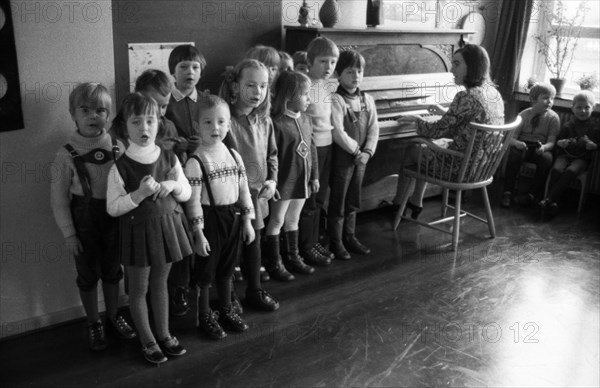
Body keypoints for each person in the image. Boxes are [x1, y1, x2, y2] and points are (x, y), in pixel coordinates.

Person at [50, 82, 136, 352]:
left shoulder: (118, 147)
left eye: (100, 110)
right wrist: (69, 233)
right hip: (83, 224)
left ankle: (113, 315)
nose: (92, 116)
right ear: (72, 114)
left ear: (109, 115)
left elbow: (129, 185)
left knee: (113, 271)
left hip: (113, 221)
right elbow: (59, 199)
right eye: (85, 110)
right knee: (87, 275)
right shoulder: (65, 155)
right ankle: (93, 322)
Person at [107, 93, 192, 364]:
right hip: (138, 234)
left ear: (159, 123)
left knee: (161, 284)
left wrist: (173, 186)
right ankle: (147, 339)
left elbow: (187, 192)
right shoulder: (119, 167)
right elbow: (113, 207)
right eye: (136, 122)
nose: (144, 128)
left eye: (150, 120)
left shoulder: (169, 157)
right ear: (125, 127)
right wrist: (140, 194)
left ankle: (164, 334)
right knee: (139, 289)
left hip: (167, 228)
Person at [394, 44, 504, 215]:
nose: (452, 69)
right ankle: (416, 201)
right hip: (482, 166)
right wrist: (445, 112)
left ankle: (397, 204)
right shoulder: (493, 93)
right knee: (430, 145)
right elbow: (471, 124)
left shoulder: (466, 96)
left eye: (457, 64)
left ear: (472, 66)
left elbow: (436, 131)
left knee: (414, 148)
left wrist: (417, 120)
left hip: (460, 168)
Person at [184, 95, 256, 340]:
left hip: (232, 217)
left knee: (227, 268)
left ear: (228, 125)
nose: (215, 128)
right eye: (207, 122)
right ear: (197, 126)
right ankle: (204, 315)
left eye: (221, 122)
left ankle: (225, 309)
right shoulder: (196, 162)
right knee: (205, 272)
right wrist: (198, 232)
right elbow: (192, 201)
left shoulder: (234, 156)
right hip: (209, 220)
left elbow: (243, 189)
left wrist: (247, 220)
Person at [219, 58, 280, 311]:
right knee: (231, 251)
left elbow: (272, 155)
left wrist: (272, 180)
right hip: (233, 199)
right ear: (235, 87)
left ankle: (254, 290)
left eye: (263, 86)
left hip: (258, 197)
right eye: (251, 85)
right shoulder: (225, 121)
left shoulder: (264, 120)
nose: (258, 92)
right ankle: (229, 295)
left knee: (254, 246)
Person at [264, 70, 322, 280]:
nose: (309, 99)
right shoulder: (276, 123)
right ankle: (274, 263)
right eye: (306, 94)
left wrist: (314, 176)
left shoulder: (306, 119)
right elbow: (271, 156)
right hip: (283, 183)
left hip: (302, 180)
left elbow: (312, 149)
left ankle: (293, 257)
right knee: (277, 220)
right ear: (289, 96)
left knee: (293, 219)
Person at [164, 44, 207, 316]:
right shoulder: (166, 102)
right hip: (177, 176)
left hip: (203, 174)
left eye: (195, 67)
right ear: (173, 72)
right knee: (181, 228)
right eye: (183, 67)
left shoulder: (205, 100)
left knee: (201, 224)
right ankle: (179, 286)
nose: (189, 72)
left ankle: (200, 279)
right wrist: (177, 145)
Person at [328, 50, 379, 258]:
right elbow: (338, 131)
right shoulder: (337, 99)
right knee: (339, 200)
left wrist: (367, 152)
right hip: (343, 158)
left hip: (361, 159)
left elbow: (374, 128)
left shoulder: (368, 99)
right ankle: (335, 241)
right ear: (339, 75)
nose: (356, 75)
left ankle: (350, 236)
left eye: (359, 71)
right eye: (350, 71)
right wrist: (356, 150)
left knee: (353, 199)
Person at [298, 37, 341, 261]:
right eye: (323, 61)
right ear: (310, 60)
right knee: (310, 200)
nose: (328, 67)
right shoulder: (305, 85)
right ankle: (306, 246)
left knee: (320, 198)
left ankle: (314, 242)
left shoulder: (327, 85)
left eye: (333, 62)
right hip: (312, 151)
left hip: (328, 146)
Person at [538, 90, 599, 219]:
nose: (582, 111)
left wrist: (594, 146)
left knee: (570, 171)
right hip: (565, 155)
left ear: (593, 108)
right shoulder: (568, 125)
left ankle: (548, 200)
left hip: (582, 158)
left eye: (587, 107)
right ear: (572, 108)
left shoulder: (595, 127)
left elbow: (597, 145)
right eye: (579, 107)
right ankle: (553, 202)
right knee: (556, 169)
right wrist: (561, 142)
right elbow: (558, 141)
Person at [501, 82, 559, 208]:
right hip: (524, 145)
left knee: (547, 160)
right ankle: (508, 192)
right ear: (533, 99)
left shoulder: (553, 118)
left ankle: (532, 195)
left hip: (541, 147)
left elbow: (551, 142)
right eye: (545, 98)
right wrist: (518, 143)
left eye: (552, 98)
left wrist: (544, 148)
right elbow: (511, 139)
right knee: (514, 156)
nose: (549, 101)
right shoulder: (523, 115)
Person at [133, 69, 180, 150]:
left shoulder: (169, 127)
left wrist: (181, 148)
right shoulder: (127, 126)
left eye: (164, 106)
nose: (160, 113)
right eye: (154, 105)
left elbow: (175, 159)